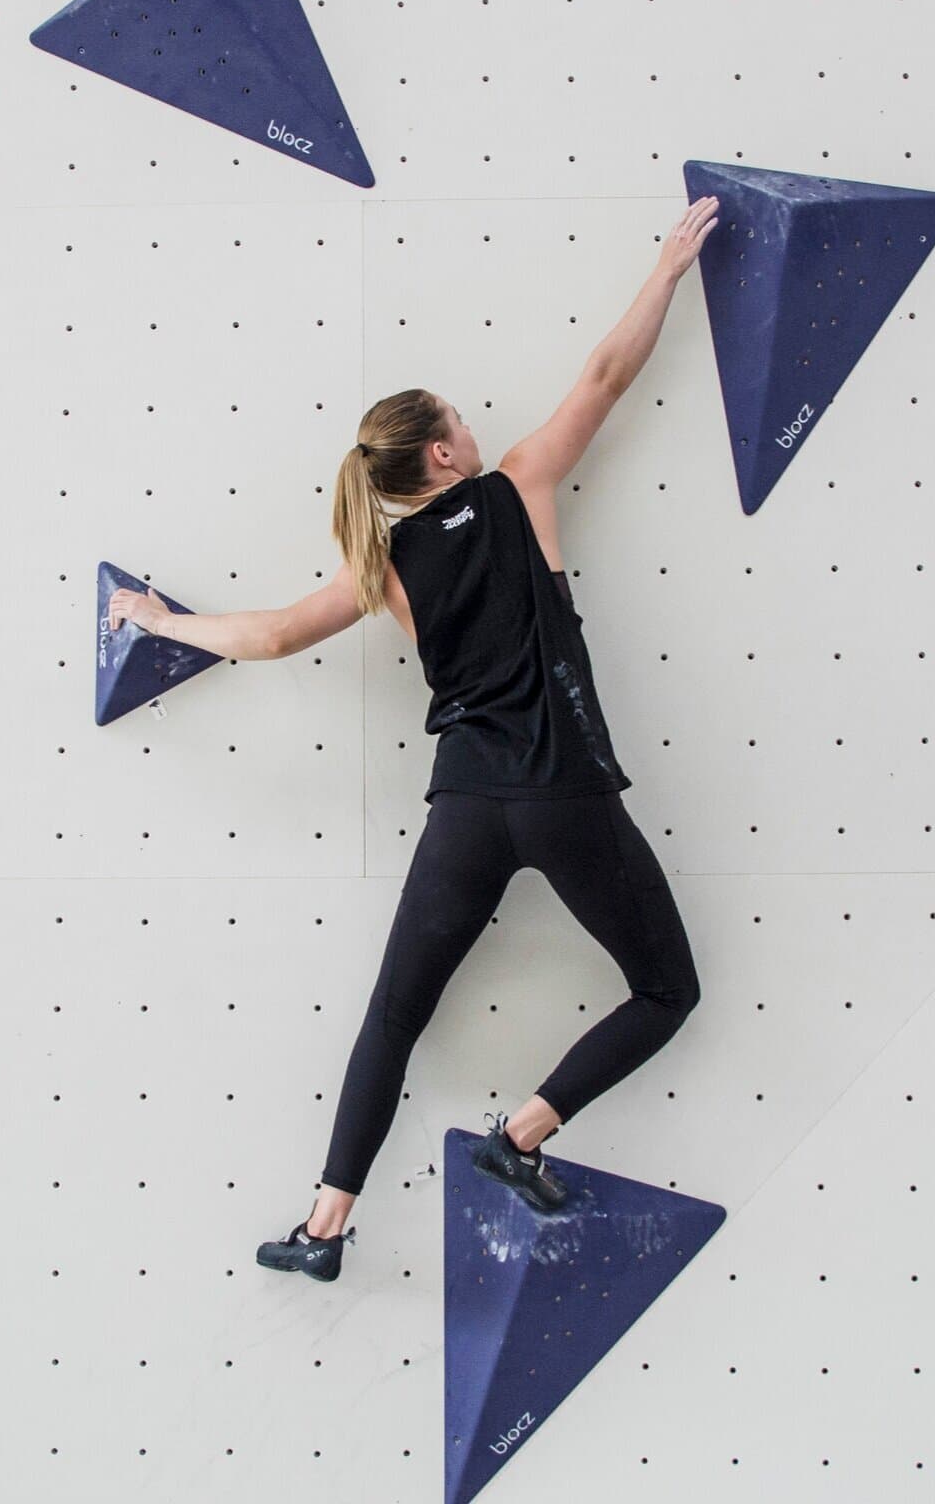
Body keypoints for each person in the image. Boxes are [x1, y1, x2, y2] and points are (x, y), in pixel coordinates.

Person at [248, 196, 720, 1280]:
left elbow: (271, 633)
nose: (471, 424)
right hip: (560, 793)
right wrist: (664, 271)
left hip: (464, 802)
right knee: (665, 992)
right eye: (456, 418)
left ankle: (322, 1230)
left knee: (393, 1017)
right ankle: (519, 1138)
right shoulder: (520, 486)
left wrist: (154, 619)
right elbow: (605, 377)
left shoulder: (385, 570)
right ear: (445, 457)